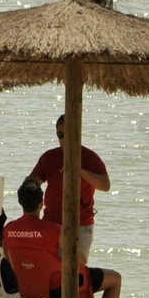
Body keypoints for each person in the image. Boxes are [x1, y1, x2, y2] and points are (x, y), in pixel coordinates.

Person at [3, 180, 121, 298]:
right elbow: (81, 259)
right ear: (41, 203)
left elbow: (8, 257)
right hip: (57, 287)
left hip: (28, 287)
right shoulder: (54, 230)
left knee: (73, 277)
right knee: (115, 279)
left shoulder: (8, 229)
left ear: (20, 202)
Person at [27, 113, 110, 264]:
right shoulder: (50, 157)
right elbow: (31, 183)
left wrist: (80, 171)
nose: (64, 138)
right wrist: (33, 211)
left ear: (77, 132)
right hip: (51, 222)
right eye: (60, 134)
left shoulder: (89, 157)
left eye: (68, 134)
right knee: (49, 268)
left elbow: (105, 185)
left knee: (76, 270)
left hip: (80, 224)